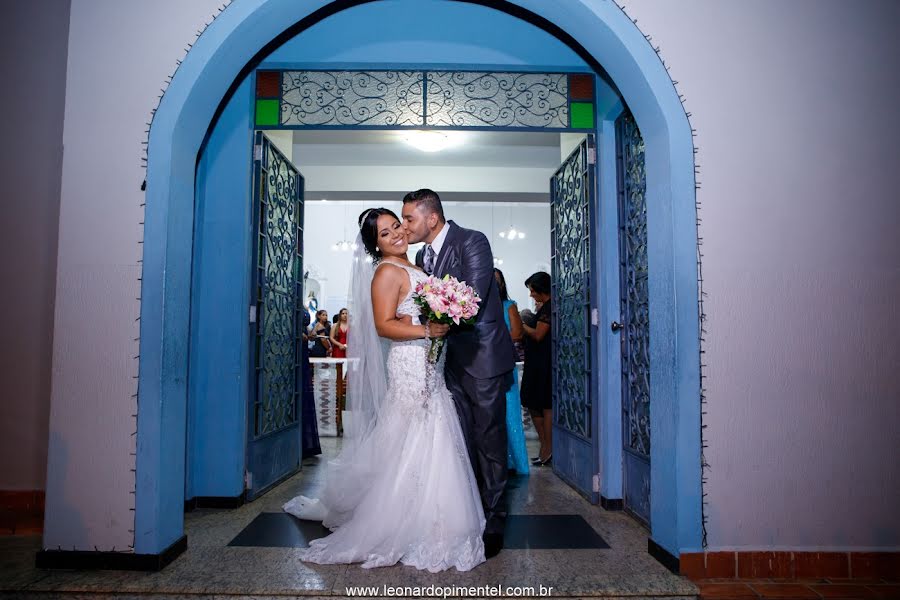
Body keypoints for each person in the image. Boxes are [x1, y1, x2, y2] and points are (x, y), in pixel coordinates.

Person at [283, 208, 485, 573]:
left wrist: (442, 318)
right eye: (385, 233)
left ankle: (432, 517)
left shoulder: (420, 268)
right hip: (409, 365)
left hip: (430, 365)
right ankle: (404, 520)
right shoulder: (387, 271)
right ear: (375, 245)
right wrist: (428, 331)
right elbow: (382, 326)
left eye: (397, 226)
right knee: (415, 432)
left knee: (426, 434)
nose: (396, 234)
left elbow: (418, 315)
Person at [402, 189, 516, 559]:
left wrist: (434, 312)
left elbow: (472, 299)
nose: (405, 226)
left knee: (490, 440)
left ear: (431, 218)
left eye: (409, 219)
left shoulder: (472, 241)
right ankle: (472, 513)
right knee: (461, 440)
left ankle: (496, 519)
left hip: (482, 358)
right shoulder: (422, 255)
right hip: (449, 362)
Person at [493, 268, 529, 475]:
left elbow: (516, 333)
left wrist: (491, 338)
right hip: (483, 365)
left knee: (509, 410)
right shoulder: (476, 307)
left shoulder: (509, 306)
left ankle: (514, 462)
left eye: (497, 281)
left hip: (504, 363)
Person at [520, 271, 552, 466]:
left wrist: (520, 324)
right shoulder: (544, 308)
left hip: (543, 362)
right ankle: (545, 445)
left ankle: (548, 447)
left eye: (533, 290)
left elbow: (539, 335)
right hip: (535, 361)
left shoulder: (549, 308)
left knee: (544, 403)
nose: (531, 294)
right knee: (532, 402)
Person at [300, 310, 321, 459]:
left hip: (303, 351)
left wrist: (309, 335)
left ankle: (305, 441)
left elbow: (304, 329)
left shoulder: (303, 305)